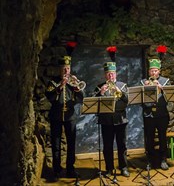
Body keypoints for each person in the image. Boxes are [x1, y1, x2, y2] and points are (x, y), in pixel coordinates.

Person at [45, 55, 84, 180]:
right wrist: (60, 86)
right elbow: (50, 97)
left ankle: (70, 169)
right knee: (56, 145)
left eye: (68, 68)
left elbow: (81, 99)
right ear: (59, 69)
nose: (66, 71)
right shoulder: (53, 82)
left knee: (71, 144)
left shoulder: (73, 82)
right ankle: (56, 170)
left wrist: (77, 89)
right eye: (64, 68)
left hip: (70, 117)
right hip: (56, 117)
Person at [93, 48, 130, 177]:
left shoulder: (123, 85)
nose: (110, 76)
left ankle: (124, 167)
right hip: (106, 121)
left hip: (121, 119)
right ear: (105, 75)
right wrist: (101, 93)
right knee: (107, 146)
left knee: (122, 145)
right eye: (108, 74)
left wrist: (120, 92)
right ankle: (109, 168)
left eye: (112, 73)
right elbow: (94, 103)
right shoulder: (99, 86)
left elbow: (127, 101)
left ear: (116, 74)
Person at [141, 57, 170, 170]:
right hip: (149, 115)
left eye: (156, 70)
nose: (153, 72)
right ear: (149, 72)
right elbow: (140, 99)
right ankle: (150, 161)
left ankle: (163, 160)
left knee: (163, 138)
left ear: (159, 71)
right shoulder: (143, 82)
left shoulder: (165, 81)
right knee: (149, 139)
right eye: (152, 70)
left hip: (162, 115)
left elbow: (169, 97)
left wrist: (161, 88)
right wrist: (145, 88)